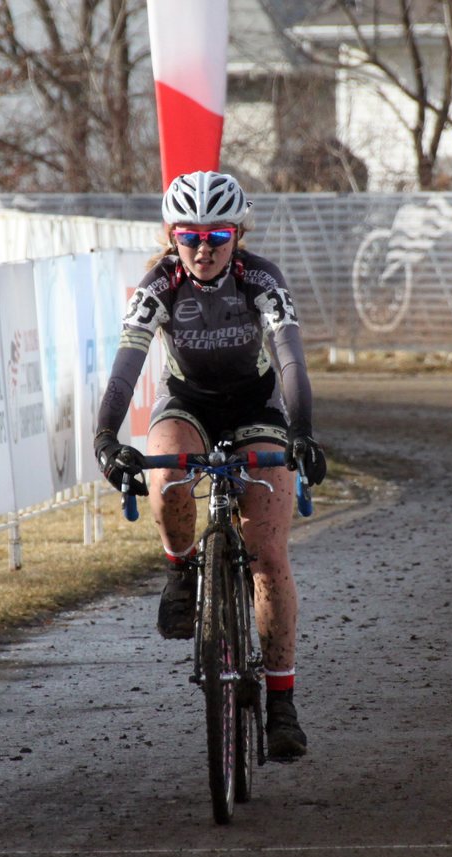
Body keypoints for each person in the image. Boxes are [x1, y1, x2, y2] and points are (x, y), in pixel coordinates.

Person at [92, 171, 326, 762]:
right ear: (172, 235)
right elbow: (126, 368)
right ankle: (180, 571)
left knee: (268, 556)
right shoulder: (161, 283)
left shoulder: (260, 279)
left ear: (237, 234)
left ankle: (282, 704)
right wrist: (105, 437)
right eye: (189, 235)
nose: (203, 248)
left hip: (256, 404)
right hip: (188, 402)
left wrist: (301, 433)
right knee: (166, 476)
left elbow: (291, 361)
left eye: (217, 235)